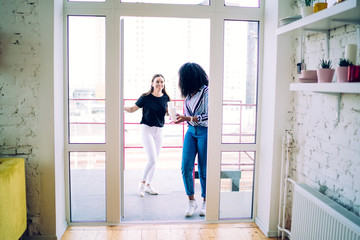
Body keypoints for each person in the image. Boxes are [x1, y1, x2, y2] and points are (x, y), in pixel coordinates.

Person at [124, 74, 171, 197]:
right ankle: (142, 184)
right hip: (146, 130)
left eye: (162, 82)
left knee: (155, 161)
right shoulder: (145, 97)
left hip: (159, 131)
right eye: (157, 82)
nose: (160, 84)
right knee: (152, 159)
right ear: (152, 83)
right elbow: (132, 109)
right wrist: (120, 107)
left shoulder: (166, 98)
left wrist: (172, 113)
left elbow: (167, 113)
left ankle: (149, 185)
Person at [173, 62, 209, 217]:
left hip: (205, 131)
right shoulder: (189, 95)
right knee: (185, 166)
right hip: (191, 131)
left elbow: (210, 115)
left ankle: (207, 201)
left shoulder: (206, 92)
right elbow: (188, 117)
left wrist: (187, 117)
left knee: (204, 169)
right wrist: (179, 118)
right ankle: (191, 201)